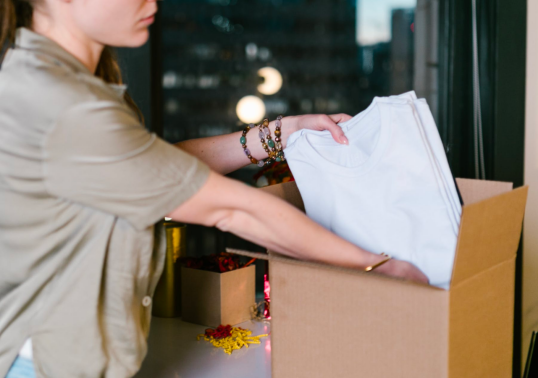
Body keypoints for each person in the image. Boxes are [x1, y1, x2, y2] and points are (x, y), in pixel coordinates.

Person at [0, 0, 428, 376]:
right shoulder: (63, 104)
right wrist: (375, 265)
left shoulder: (60, 83)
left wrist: (283, 132)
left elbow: (156, 169)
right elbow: (232, 209)